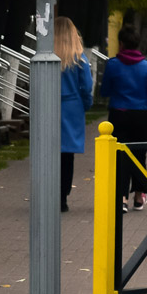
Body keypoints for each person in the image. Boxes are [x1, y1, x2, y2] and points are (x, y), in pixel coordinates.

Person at [100, 26, 147, 213]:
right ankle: (139, 196)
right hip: (141, 115)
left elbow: (104, 92)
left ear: (121, 44)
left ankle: (121, 198)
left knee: (120, 157)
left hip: (118, 114)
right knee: (139, 155)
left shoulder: (113, 65)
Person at [55, 17, 92, 213]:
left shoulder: (47, 56)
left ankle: (49, 194)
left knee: (49, 153)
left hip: (50, 107)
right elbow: (86, 87)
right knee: (67, 155)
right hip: (72, 108)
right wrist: (86, 105)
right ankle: (63, 197)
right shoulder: (78, 58)